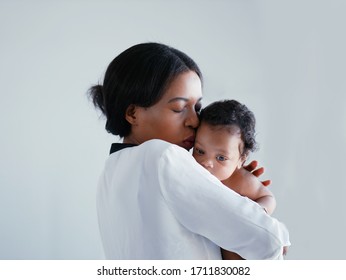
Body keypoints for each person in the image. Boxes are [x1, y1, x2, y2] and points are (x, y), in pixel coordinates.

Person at [88, 42, 290, 260]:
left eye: (197, 108)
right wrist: (252, 204)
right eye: (179, 108)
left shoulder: (109, 176)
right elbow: (268, 240)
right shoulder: (162, 156)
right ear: (132, 113)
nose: (194, 121)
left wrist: (222, 187)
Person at [193, 99, 285, 259]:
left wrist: (259, 211)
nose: (206, 163)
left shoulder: (241, 180)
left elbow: (268, 197)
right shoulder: (191, 173)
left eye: (221, 157)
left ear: (241, 160)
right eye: (200, 151)